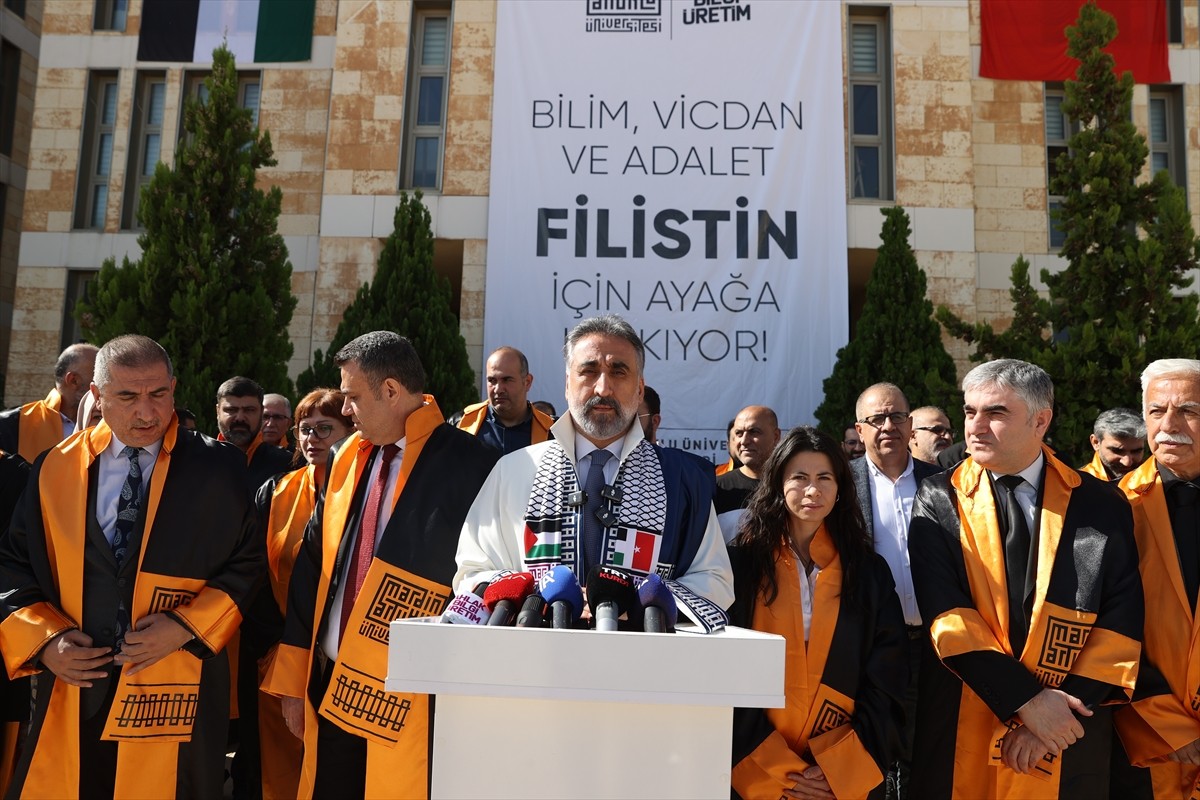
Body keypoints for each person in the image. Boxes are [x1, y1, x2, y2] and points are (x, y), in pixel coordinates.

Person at [0, 334, 262, 798]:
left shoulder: (220, 469)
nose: (148, 412)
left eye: (158, 394)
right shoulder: (54, 468)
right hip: (75, 686)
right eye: (128, 396)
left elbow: (250, 562)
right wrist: (46, 642)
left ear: (175, 388)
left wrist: (186, 627)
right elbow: (13, 567)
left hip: (179, 679)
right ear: (96, 396)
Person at [260, 331, 498, 799]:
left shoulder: (474, 465)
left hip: (415, 692)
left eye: (352, 397)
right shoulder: (347, 456)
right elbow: (313, 566)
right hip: (330, 682)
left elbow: (485, 581)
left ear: (390, 391)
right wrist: (294, 677)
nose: (345, 410)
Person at [909, 359, 1143, 799]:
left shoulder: (1100, 502)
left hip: (1070, 725)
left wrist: (1057, 717)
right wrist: (1029, 703)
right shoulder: (939, 496)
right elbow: (947, 612)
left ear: (1041, 419)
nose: (975, 427)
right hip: (965, 706)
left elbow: (1121, 618)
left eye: (995, 413)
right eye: (969, 411)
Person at [454, 314, 734, 624]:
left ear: (640, 389)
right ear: (566, 384)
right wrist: (541, 596)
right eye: (588, 371)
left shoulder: (683, 480)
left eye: (618, 372)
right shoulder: (513, 472)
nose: (603, 388)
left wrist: (637, 600)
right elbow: (472, 570)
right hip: (532, 659)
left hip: (644, 661)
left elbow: (715, 581)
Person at [729, 426, 907, 800]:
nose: (813, 490)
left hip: (841, 772)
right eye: (800, 478)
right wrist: (783, 772)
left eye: (824, 478)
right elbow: (724, 673)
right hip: (757, 765)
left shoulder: (868, 572)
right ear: (778, 484)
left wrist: (835, 771)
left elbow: (888, 677)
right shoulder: (741, 567)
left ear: (840, 487)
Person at [252, 389, 353, 800]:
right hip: (280, 650)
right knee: (280, 763)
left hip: (345, 655)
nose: (313, 439)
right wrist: (271, 645)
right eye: (305, 430)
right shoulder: (275, 492)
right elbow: (256, 573)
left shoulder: (371, 490)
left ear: (350, 431)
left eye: (325, 429)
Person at [1112, 359, 1200, 797]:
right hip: (1149, 735)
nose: (1169, 425)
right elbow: (1101, 627)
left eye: (1189, 410)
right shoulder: (1112, 507)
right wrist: (1169, 724)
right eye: (1156, 411)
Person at [850, 384, 940, 800]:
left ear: (911, 425)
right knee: (872, 748)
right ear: (859, 429)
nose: (888, 426)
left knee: (929, 748)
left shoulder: (942, 483)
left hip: (936, 645)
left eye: (897, 417)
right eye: (876, 419)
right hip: (870, 644)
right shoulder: (842, 486)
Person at [0, 343, 97, 462]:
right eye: (98, 380)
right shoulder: (10, 426)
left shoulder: (109, 424)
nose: (104, 388)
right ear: (73, 380)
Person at [457, 346, 553, 454]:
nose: (498, 389)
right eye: (492, 380)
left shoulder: (552, 432)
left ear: (527, 382)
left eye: (507, 380)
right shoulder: (460, 424)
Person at [715, 405, 781, 543]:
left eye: (754, 432)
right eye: (739, 433)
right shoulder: (716, 488)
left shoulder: (791, 487)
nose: (744, 441)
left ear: (776, 436)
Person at [216, 377, 293, 489]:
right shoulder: (198, 460)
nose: (240, 418)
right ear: (217, 411)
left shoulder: (287, 465)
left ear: (261, 412)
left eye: (249, 410)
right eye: (231, 410)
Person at [1080, 407, 1145, 481]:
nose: (1127, 462)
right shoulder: (1077, 486)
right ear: (1096, 442)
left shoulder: (1158, 482)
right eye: (1117, 451)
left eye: (1136, 451)